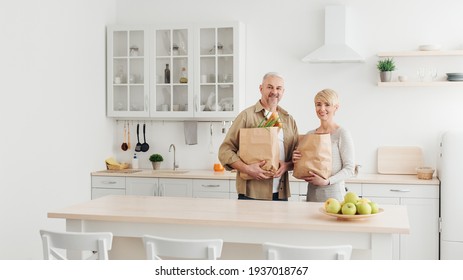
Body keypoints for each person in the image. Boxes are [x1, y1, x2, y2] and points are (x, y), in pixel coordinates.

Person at [218, 72, 299, 201]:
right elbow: (224, 151)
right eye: (270, 87)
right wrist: (247, 169)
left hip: (280, 193)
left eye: (278, 88)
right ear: (261, 88)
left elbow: (297, 155)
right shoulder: (246, 116)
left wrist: (287, 166)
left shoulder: (289, 120)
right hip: (251, 193)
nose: (274, 91)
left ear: (283, 91)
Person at [293, 88, 355, 202]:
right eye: (318, 104)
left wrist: (327, 181)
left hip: (335, 196)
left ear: (336, 107)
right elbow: (305, 167)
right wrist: (296, 160)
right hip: (312, 195)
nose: (322, 109)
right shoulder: (310, 135)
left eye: (327, 104)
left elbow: (350, 169)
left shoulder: (341, 133)